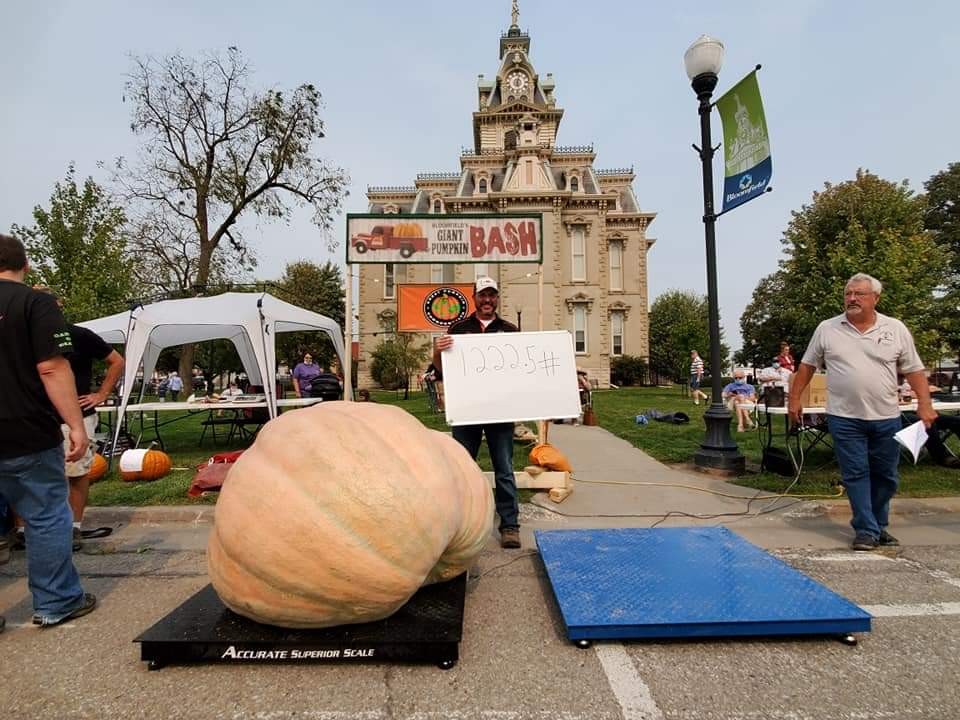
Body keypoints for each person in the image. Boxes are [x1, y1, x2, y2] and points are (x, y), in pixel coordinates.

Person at [788, 273, 936, 551]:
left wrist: (924, 403)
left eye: (859, 294)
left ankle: (877, 525)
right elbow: (807, 366)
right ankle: (866, 530)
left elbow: (914, 369)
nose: (852, 298)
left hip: (886, 416)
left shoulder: (895, 328)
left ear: (875, 298)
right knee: (855, 473)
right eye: (848, 294)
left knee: (887, 476)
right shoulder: (827, 328)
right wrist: (794, 400)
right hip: (844, 417)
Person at [0, 233, 96, 627]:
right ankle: (56, 601)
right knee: (45, 515)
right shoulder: (35, 303)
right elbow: (52, 367)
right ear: (25, 265)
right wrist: (76, 425)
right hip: (26, 430)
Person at [433, 276, 522, 549]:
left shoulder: (510, 330)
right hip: (467, 410)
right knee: (463, 467)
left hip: (500, 411)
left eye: (492, 295)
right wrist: (437, 352)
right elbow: (441, 370)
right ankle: (462, 524)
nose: (487, 300)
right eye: (482, 295)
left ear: (497, 298)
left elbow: (521, 370)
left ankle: (509, 525)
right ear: (474, 298)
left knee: (504, 469)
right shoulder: (458, 330)